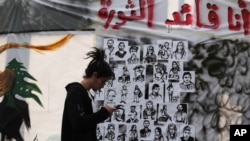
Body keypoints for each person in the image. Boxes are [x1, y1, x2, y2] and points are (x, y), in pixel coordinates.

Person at [61, 47, 117, 141]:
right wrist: (103, 112)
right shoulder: (75, 93)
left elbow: (87, 126)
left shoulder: (86, 94)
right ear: (94, 75)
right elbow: (78, 122)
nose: (103, 86)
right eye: (102, 81)